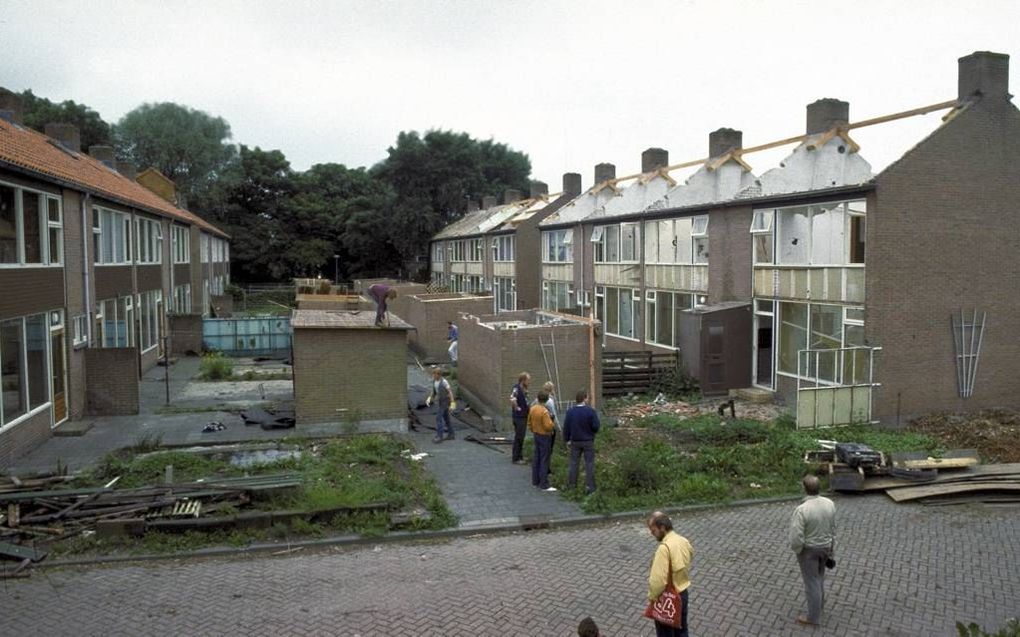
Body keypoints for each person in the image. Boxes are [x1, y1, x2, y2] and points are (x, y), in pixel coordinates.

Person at [789, 474, 836, 627]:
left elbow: (796, 535)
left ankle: (813, 618)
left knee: (811, 583)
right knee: (819, 577)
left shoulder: (802, 510)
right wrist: (831, 548)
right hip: (826, 548)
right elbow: (832, 527)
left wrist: (798, 550)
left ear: (804, 488)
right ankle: (819, 605)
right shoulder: (829, 503)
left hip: (809, 551)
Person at [647, 511, 693, 637]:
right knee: (682, 631)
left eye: (653, 530)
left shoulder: (664, 548)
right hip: (683, 594)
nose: (652, 534)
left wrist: (652, 597)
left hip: (667, 599)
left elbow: (658, 581)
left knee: (665, 633)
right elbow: (690, 556)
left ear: (662, 527)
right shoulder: (683, 541)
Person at [563, 389, 600, 494]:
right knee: (589, 464)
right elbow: (596, 426)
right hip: (588, 441)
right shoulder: (590, 411)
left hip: (575, 441)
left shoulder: (570, 412)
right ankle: (590, 488)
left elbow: (566, 427)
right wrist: (591, 432)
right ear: (584, 398)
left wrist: (567, 439)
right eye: (587, 397)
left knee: (574, 464)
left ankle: (572, 486)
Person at [528, 390, 556, 491]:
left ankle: (535, 481)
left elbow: (529, 422)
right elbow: (548, 426)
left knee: (536, 457)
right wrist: (552, 422)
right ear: (547, 400)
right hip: (545, 436)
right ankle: (543, 483)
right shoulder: (544, 411)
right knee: (544, 459)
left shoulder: (533, 408)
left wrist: (533, 429)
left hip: (536, 434)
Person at [425, 367, 455, 443]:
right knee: (446, 418)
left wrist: (452, 404)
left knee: (438, 419)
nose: (433, 376)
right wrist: (429, 398)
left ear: (439, 374)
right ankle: (451, 434)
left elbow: (450, 392)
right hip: (440, 402)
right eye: (433, 374)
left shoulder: (444, 382)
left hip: (445, 402)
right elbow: (434, 391)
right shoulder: (434, 381)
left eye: (434, 374)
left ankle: (439, 436)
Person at [509, 372, 531, 464]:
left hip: (524, 416)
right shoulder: (516, 388)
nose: (529, 382)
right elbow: (512, 399)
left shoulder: (525, 389)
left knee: (521, 437)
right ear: (523, 380)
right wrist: (517, 408)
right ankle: (516, 458)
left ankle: (520, 456)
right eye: (528, 380)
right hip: (519, 417)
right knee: (519, 437)